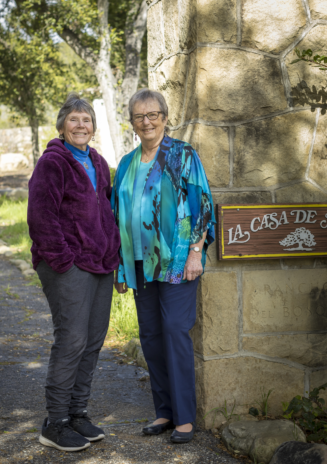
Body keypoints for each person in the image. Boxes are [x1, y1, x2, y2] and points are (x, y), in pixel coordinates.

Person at [111, 89, 215, 444]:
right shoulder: (126, 164)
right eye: (139, 116)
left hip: (175, 261)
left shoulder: (182, 154)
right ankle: (164, 412)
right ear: (132, 123)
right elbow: (116, 216)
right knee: (151, 337)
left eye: (153, 114)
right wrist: (120, 269)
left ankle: (185, 417)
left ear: (165, 118)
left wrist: (195, 251)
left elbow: (200, 203)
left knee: (174, 330)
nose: (147, 121)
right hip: (139, 264)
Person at [27, 93, 120, 452]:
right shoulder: (53, 162)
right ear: (62, 125)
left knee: (94, 340)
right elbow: (41, 216)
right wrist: (63, 260)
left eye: (87, 121)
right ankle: (55, 423)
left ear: (93, 128)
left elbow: (105, 212)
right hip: (66, 264)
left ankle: (78, 413)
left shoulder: (97, 162)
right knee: (72, 341)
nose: (81, 126)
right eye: (74, 120)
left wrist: (111, 252)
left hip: (100, 263)